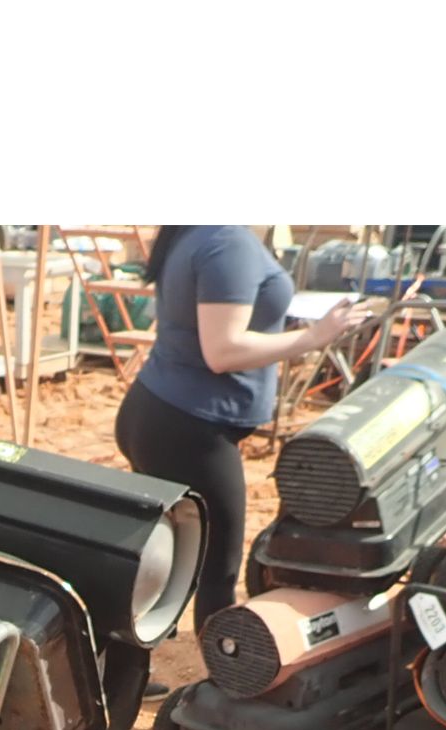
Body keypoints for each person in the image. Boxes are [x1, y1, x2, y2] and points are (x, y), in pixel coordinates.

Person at [115, 226, 369, 685]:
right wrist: (314, 337)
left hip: (162, 412)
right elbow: (223, 350)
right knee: (217, 566)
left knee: (163, 556)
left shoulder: (201, 230)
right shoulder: (227, 240)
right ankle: (222, 684)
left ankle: (120, 674)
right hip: (189, 426)